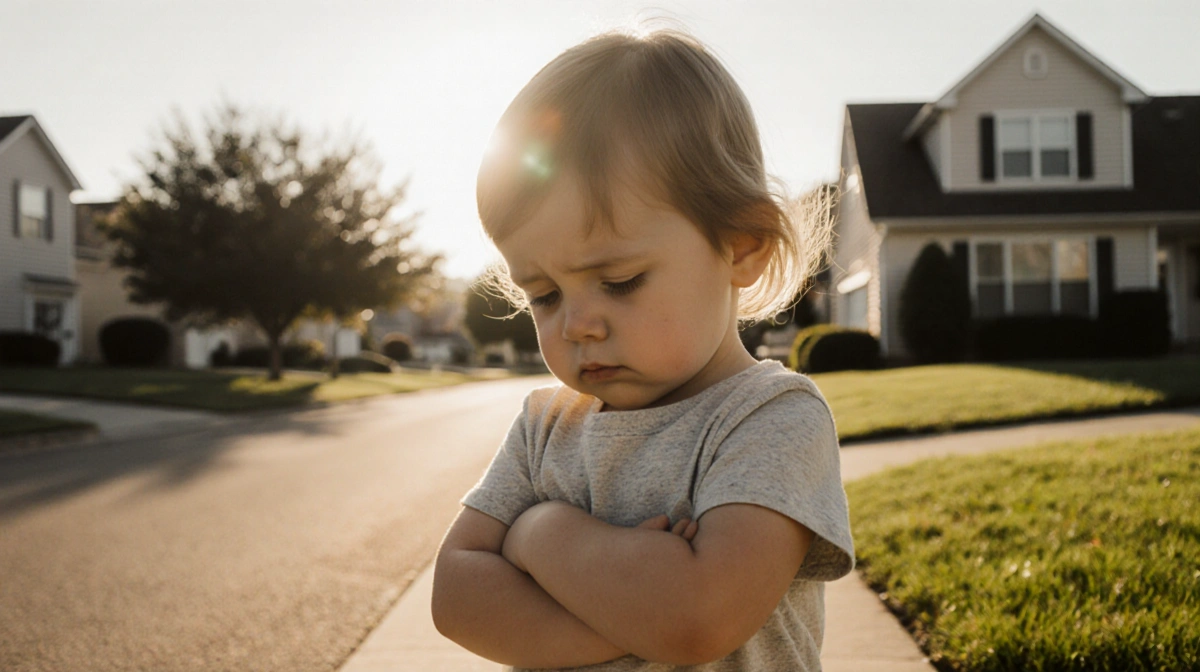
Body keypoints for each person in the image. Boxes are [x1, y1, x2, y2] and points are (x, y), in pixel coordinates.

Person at [431, 27, 855, 671]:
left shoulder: (770, 418)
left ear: (741, 244)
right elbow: (456, 596)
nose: (577, 324)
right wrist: (629, 616)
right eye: (543, 295)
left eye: (619, 281)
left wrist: (543, 533)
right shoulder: (545, 426)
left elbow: (694, 620)